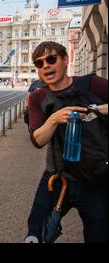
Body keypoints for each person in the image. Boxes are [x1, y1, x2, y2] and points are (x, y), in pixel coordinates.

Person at [26, 41, 108, 243]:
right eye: (39, 63)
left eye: (51, 59)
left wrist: (93, 109)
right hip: (57, 178)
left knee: (99, 236)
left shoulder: (92, 84)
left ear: (65, 59)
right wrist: (54, 118)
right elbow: (37, 139)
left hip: (97, 180)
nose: (45, 65)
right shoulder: (38, 97)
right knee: (36, 234)